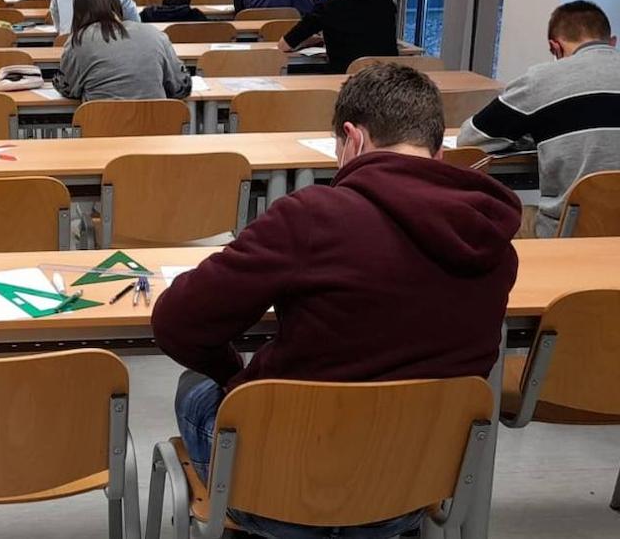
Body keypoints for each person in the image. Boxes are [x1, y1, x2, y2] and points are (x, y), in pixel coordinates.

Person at [153, 63, 521, 538]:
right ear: (437, 147)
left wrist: (233, 373)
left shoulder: (312, 217)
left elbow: (177, 323)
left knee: (195, 384)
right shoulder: (493, 240)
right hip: (410, 484)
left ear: (353, 139)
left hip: (280, 484)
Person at [460, 0, 620, 237]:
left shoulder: (541, 80)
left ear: (555, 47)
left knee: (485, 216)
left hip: (567, 231)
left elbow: (470, 138)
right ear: (612, 41)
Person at [52, 0, 191, 102]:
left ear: (78, 14)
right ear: (116, 5)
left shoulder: (78, 40)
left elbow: (67, 88)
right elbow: (182, 87)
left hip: (102, 127)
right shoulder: (155, 34)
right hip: (156, 128)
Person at [279, 0, 398, 74]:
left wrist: (310, 41)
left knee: (293, 71)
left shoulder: (328, 5)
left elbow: (285, 45)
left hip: (346, 77)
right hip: (388, 77)